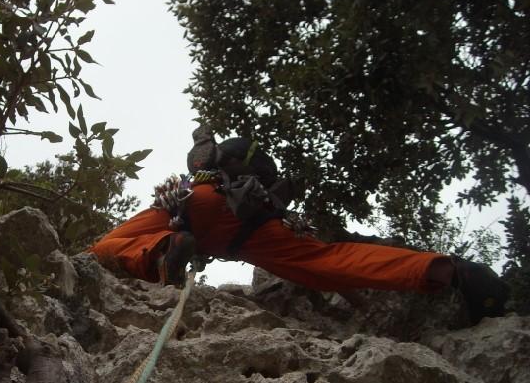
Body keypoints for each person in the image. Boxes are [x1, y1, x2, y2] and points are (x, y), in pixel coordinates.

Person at [89, 127, 509, 325]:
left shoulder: (205, 171)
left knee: (106, 247)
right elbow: (336, 264)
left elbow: (189, 191)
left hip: (189, 205)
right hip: (252, 228)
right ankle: (447, 270)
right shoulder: (258, 176)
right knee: (330, 261)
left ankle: (162, 251)